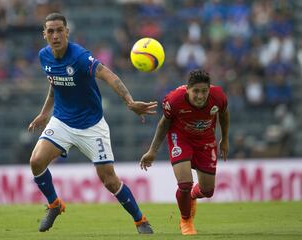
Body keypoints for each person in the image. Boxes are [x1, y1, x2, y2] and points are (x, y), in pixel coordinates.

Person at [28, 12, 156, 234]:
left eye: (60, 30)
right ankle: (54, 204)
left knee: (109, 181)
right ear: (44, 34)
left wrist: (129, 101)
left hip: (91, 126)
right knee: (36, 161)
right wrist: (44, 113)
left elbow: (108, 74)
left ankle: (140, 220)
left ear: (67, 32)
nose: (55, 35)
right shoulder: (44, 56)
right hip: (62, 121)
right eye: (51, 31)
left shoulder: (79, 57)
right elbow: (55, 83)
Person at [140, 69, 229, 235]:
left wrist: (225, 138)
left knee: (208, 191)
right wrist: (152, 150)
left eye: (204, 91)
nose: (200, 96)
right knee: (185, 184)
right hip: (180, 138)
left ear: (209, 90)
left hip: (205, 141)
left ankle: (193, 196)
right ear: (188, 89)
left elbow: (223, 115)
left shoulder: (219, 97)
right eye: (196, 91)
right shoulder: (174, 100)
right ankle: (186, 220)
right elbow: (163, 124)